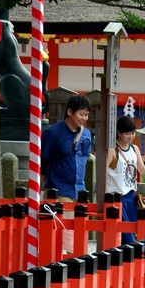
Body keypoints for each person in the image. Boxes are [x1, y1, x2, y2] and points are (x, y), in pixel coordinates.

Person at [42, 94, 93, 255]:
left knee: (77, 236)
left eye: (86, 115)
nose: (84, 118)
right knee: (62, 236)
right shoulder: (53, 133)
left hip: (80, 190)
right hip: (58, 189)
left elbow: (85, 158)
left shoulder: (86, 134)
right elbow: (43, 161)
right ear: (70, 112)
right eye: (81, 114)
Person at [106, 116, 145, 245]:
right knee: (126, 234)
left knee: (132, 229)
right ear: (119, 133)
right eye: (127, 133)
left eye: (133, 133)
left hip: (131, 196)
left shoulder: (134, 148)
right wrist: (107, 195)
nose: (131, 136)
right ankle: (134, 255)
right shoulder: (112, 150)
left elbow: (142, 170)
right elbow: (103, 174)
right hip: (117, 196)